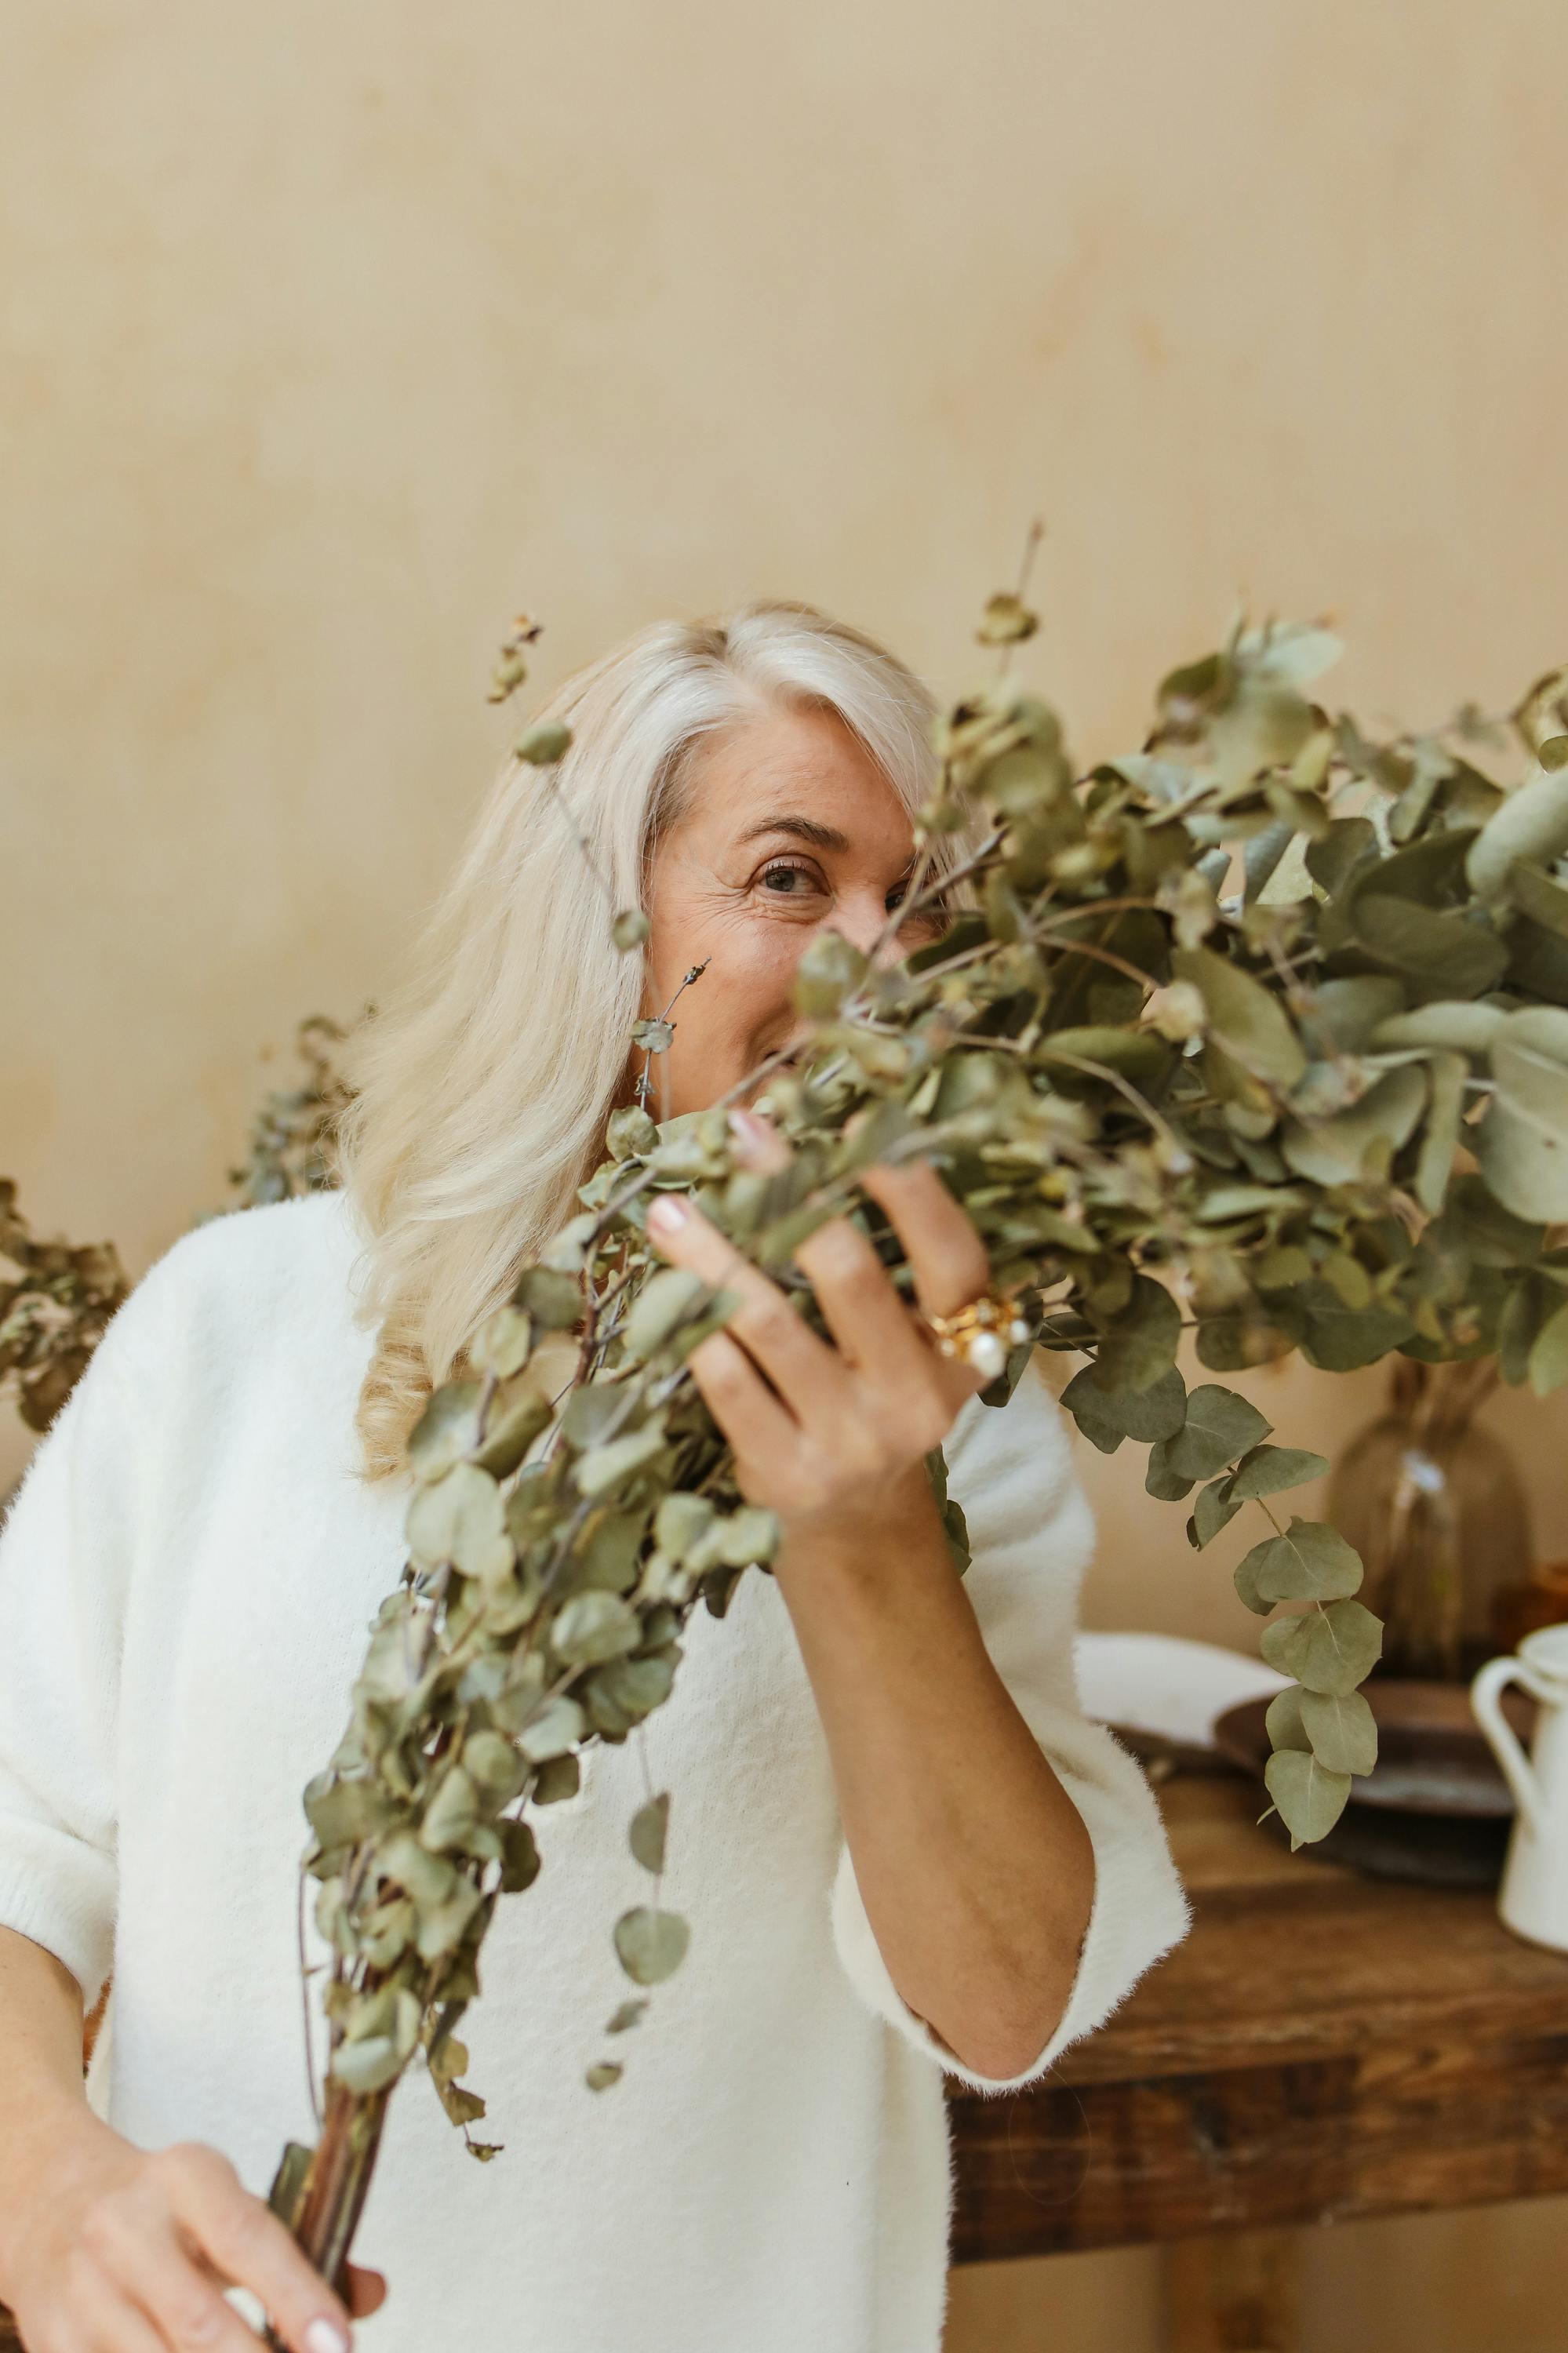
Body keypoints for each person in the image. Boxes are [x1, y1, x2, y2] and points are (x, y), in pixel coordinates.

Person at [0, 600, 1189, 2353]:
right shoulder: (231, 1326)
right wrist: (45, 2193)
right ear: (595, 923)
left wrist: (861, 1540)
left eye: (917, 907)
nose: (879, 967)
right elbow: (23, 1844)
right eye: (792, 878)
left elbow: (1001, 2004)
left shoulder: (950, 1424)